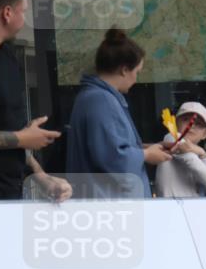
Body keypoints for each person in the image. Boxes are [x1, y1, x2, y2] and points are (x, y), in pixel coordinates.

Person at [66, 29, 194, 198]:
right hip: (110, 207)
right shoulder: (101, 100)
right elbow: (111, 157)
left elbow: (110, 146)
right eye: (137, 72)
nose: (136, 79)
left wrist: (150, 148)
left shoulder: (94, 97)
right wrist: (147, 154)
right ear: (125, 70)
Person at [0, 0, 69, 202]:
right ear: (7, 13)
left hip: (9, 197)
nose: (24, 19)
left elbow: (13, 131)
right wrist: (22, 138)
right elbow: (19, 137)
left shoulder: (8, 58)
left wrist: (40, 176)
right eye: (23, 11)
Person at [156, 102, 206, 207]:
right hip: (171, 210)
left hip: (187, 210)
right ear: (176, 124)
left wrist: (202, 153)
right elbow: (193, 163)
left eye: (198, 123)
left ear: (205, 134)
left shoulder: (197, 152)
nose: (192, 125)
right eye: (186, 119)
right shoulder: (172, 137)